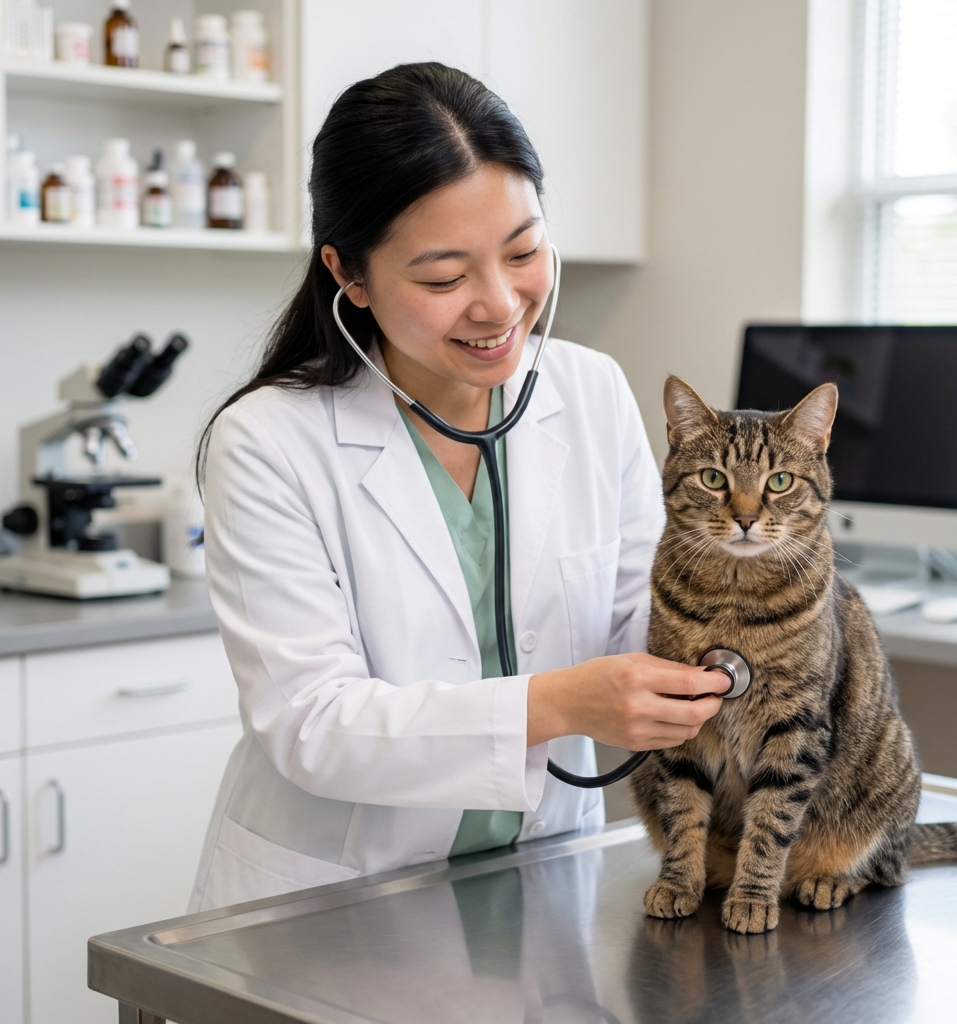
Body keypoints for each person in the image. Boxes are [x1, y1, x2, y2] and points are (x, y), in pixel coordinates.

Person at [188, 62, 727, 912]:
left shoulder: (589, 393)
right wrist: (556, 702)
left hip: (542, 875)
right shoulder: (266, 442)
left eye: (523, 251)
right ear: (349, 275)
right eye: (444, 278)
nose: (498, 303)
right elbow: (312, 725)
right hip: (338, 902)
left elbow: (647, 623)